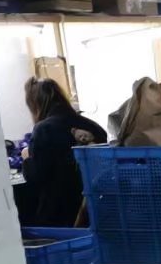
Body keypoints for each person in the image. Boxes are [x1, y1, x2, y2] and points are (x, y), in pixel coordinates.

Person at [20, 78, 106, 226]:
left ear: (35, 105)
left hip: (60, 214)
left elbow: (36, 176)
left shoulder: (44, 129)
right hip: (95, 211)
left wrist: (27, 158)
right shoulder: (93, 127)